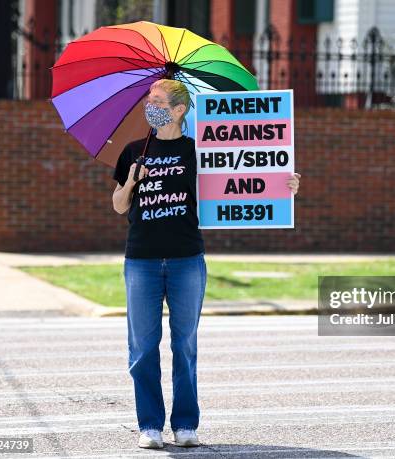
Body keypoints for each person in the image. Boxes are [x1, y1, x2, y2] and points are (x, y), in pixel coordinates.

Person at [111, 79, 301, 449]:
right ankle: (149, 425)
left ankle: (185, 424)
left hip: (186, 260)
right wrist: (131, 181)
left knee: (184, 345)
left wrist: (284, 185)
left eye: (158, 101)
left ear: (179, 110)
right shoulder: (134, 151)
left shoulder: (199, 151)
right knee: (142, 347)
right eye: (149, 100)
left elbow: (244, 176)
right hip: (142, 261)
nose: (150, 106)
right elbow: (119, 205)